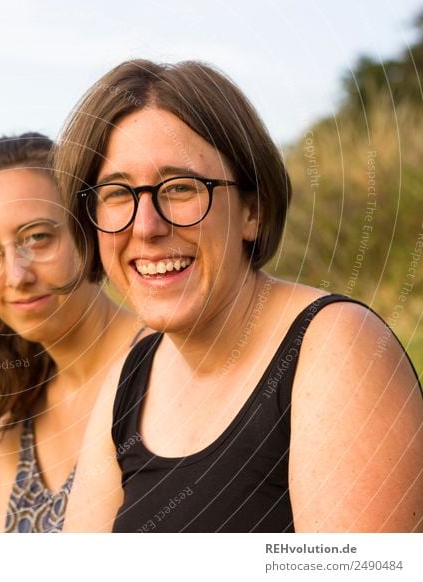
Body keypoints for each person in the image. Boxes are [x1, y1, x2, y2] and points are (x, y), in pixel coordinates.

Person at [53, 60, 423, 532]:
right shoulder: (130, 379)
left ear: (253, 210)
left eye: (181, 188)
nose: (146, 227)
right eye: (117, 194)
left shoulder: (337, 350)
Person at [0, 132, 145, 532]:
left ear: (86, 229)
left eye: (37, 237)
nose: (17, 275)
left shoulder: (171, 364)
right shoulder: (19, 421)